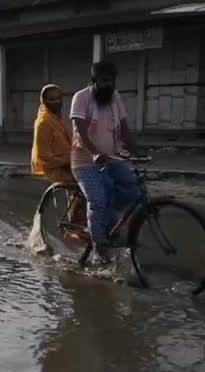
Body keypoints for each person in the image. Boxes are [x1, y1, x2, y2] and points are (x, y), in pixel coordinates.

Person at [70, 61, 142, 263]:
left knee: (133, 189)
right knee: (98, 201)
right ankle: (99, 246)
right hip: (84, 161)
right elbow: (81, 131)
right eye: (103, 81)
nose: (107, 85)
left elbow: (124, 129)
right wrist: (93, 153)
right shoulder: (81, 97)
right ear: (94, 81)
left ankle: (108, 220)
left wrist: (138, 151)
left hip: (111, 158)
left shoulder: (115, 97)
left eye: (110, 81)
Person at [31, 84, 85, 227]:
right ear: (44, 101)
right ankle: (77, 224)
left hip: (71, 163)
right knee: (88, 186)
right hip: (57, 168)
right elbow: (44, 156)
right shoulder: (43, 123)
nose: (56, 102)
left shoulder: (60, 120)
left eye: (58, 98)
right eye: (51, 99)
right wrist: (69, 160)